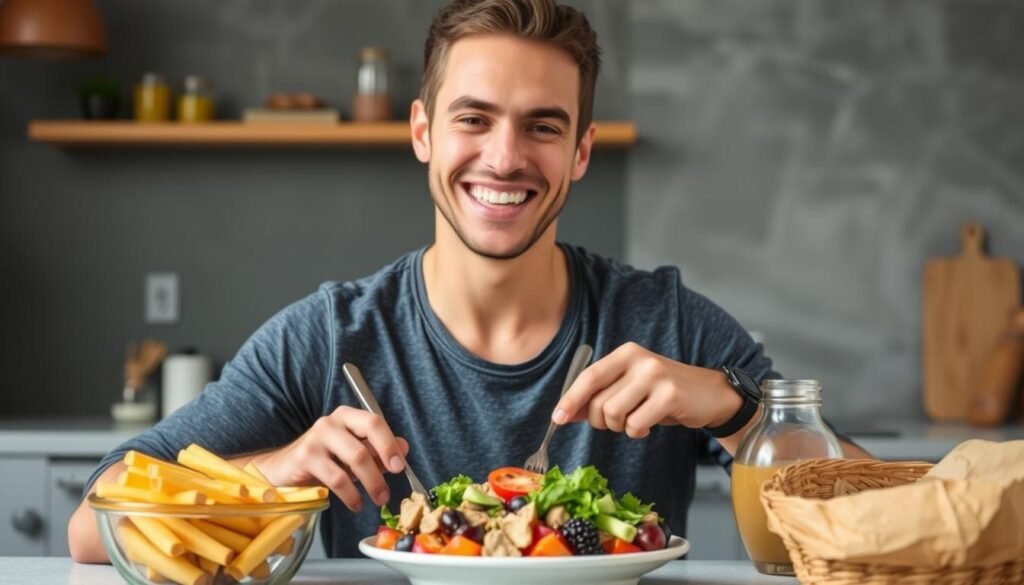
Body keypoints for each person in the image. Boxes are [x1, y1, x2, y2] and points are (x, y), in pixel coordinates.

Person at [68, 0, 869, 562]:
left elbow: (879, 520)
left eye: (543, 126)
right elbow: (90, 524)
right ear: (423, 131)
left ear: (581, 152)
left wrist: (736, 408)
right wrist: (275, 473)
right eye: (473, 118)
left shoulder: (668, 323)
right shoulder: (329, 334)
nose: (505, 157)